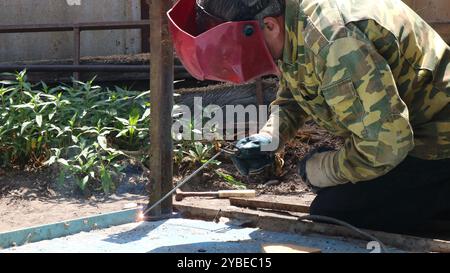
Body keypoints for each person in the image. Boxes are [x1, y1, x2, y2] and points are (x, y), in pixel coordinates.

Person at [168, 0, 450, 233]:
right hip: (409, 132)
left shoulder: (333, 41)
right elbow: (297, 90)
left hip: (437, 144)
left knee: (334, 214)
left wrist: (320, 169)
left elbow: (387, 146)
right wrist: (270, 137)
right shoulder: (294, 19)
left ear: (268, 26)